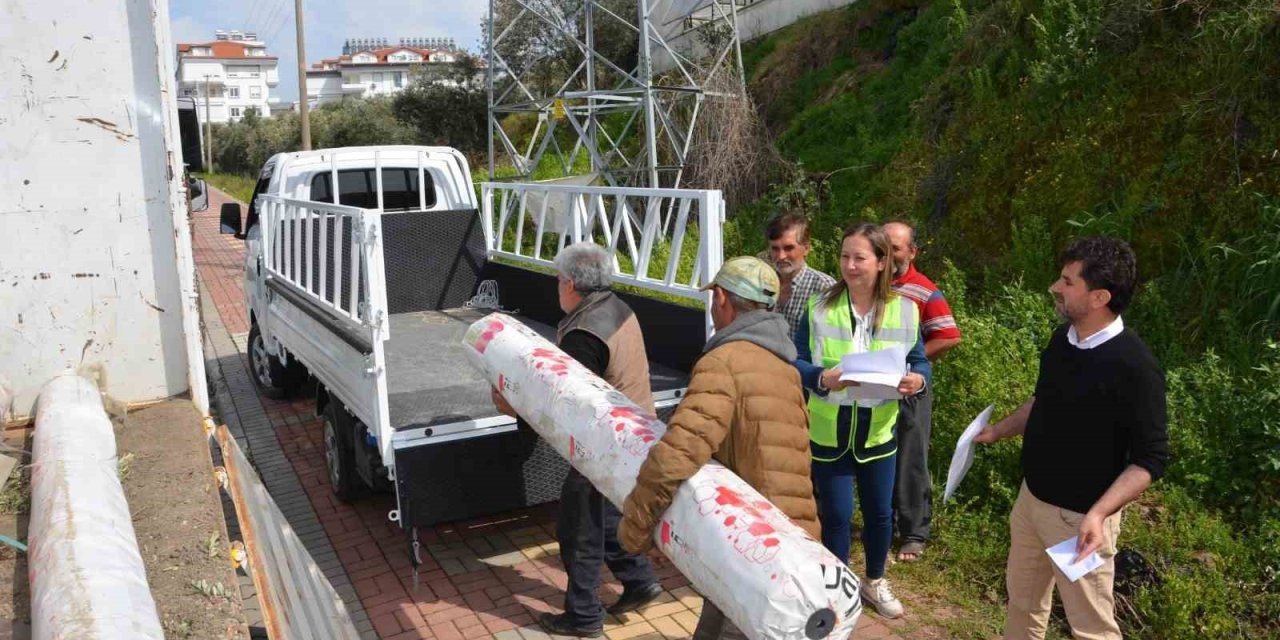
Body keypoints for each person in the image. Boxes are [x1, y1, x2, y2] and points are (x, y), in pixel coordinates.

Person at [974, 236, 1169, 640]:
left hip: (1080, 524)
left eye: (1067, 281)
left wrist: (1098, 514)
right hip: (1031, 503)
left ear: (1098, 297)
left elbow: (1150, 460)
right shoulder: (1063, 340)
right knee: (1023, 608)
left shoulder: (1135, 367)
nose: (1054, 288)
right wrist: (997, 431)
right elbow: (1043, 402)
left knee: (1091, 629)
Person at [617, 256, 820, 639]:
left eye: (714, 298)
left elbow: (677, 455)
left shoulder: (723, 362)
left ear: (723, 299)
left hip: (752, 547)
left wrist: (636, 528)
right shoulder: (785, 366)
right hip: (791, 535)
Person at [490, 242, 663, 638]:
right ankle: (638, 581)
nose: (557, 287)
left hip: (606, 443)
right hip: (635, 431)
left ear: (569, 283)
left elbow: (568, 403)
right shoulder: (616, 307)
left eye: (557, 280)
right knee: (604, 516)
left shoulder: (584, 333)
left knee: (577, 526)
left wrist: (513, 405)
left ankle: (583, 617)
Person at [792, 223, 930, 619]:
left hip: (878, 433)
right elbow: (796, 359)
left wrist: (918, 379)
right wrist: (819, 377)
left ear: (882, 261)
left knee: (880, 513)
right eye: (844, 256)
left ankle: (874, 579)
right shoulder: (819, 307)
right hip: (829, 430)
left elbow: (919, 361)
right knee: (835, 515)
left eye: (860, 258)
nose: (850, 266)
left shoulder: (906, 309)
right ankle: (840, 587)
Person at [882, 220, 962, 562]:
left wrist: (911, 362)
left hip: (911, 387)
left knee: (911, 458)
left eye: (895, 248)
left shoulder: (923, 290)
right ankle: (882, 524)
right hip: (874, 385)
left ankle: (914, 533)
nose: (888, 254)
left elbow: (948, 335)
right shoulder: (867, 284)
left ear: (911, 252)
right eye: (882, 246)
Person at [766, 213, 837, 340]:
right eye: (775, 249)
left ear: (806, 248)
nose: (781, 256)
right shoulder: (762, 284)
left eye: (788, 248)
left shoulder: (823, 287)